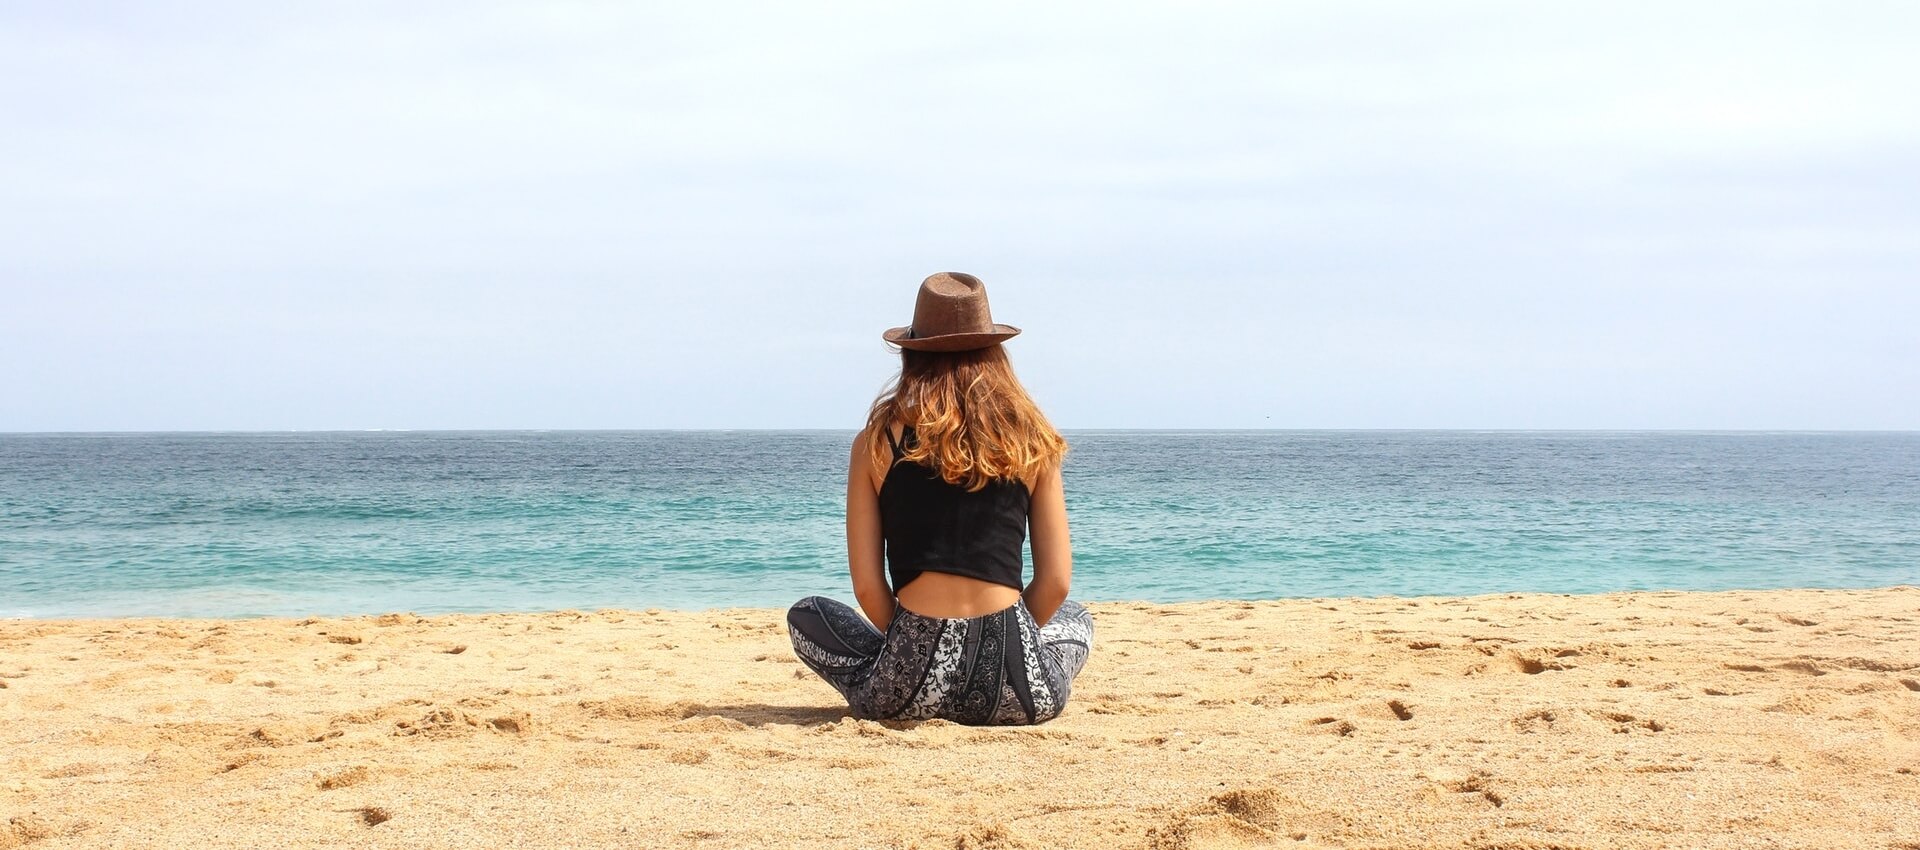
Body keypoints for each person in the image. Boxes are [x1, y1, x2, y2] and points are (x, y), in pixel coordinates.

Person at [786, 272, 1094, 725]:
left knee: (807, 614)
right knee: (1076, 617)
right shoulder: (1032, 441)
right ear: (995, 354)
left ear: (912, 354)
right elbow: (1056, 585)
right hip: (1020, 693)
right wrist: (1002, 640)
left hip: (908, 691)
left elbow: (869, 589)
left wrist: (920, 643)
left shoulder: (875, 443)